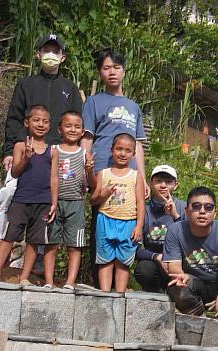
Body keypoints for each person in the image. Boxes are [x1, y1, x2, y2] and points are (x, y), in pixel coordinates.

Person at [82, 49, 147, 287]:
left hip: (129, 176)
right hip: (102, 171)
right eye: (106, 68)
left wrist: (143, 176)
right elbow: (87, 137)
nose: (112, 72)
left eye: (116, 67)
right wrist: (84, 167)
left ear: (123, 71)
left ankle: (117, 288)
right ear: (100, 72)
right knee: (101, 223)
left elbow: (138, 144)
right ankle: (99, 285)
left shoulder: (133, 107)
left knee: (126, 221)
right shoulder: (94, 101)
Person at [0, 105, 53, 284]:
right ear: (26, 122)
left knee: (34, 241)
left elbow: (54, 178)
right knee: (9, 236)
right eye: (36, 120)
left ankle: (24, 277)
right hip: (21, 199)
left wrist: (54, 202)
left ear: (50, 125)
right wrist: (26, 158)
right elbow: (15, 172)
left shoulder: (52, 151)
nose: (40, 124)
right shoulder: (20, 146)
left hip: (43, 201)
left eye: (45, 121)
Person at [2, 33, 82, 172]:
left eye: (55, 51)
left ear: (62, 57)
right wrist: (9, 152)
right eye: (46, 50)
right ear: (38, 54)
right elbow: (14, 119)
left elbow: (77, 125)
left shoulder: (71, 88)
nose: (51, 55)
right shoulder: (25, 84)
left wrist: (74, 153)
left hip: (59, 152)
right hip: (28, 149)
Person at [164, 187, 218, 316]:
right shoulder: (175, 230)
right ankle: (199, 319)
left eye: (208, 207)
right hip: (195, 283)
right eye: (196, 206)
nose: (202, 211)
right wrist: (181, 277)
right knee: (177, 287)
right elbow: (175, 269)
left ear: (215, 213)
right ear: (187, 211)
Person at [42, 111, 94, 289]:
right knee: (51, 243)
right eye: (68, 125)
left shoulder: (84, 153)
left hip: (76, 203)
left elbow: (91, 183)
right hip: (54, 202)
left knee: (75, 245)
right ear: (59, 129)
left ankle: (70, 282)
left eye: (77, 126)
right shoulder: (53, 150)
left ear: (82, 131)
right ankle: (48, 281)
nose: (73, 129)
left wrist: (89, 170)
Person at [90, 133, 145, 292]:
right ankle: (105, 294)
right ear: (111, 150)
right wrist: (104, 194)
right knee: (105, 260)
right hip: (105, 220)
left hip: (128, 222)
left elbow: (141, 202)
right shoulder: (103, 173)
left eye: (128, 150)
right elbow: (93, 200)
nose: (123, 153)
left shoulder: (136, 176)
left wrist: (139, 226)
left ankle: (120, 295)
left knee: (123, 262)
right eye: (119, 149)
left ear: (133, 154)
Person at [134, 165, 186, 293]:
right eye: (158, 181)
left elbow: (190, 243)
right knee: (143, 269)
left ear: (176, 185)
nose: (163, 185)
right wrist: (157, 256)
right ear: (151, 183)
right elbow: (133, 248)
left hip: (179, 262)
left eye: (168, 182)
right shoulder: (143, 210)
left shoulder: (184, 208)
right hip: (154, 261)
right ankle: (155, 293)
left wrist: (175, 217)